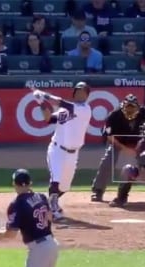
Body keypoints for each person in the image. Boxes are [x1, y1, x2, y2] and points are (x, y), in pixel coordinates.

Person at [32, 82, 93, 221]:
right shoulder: (64, 111)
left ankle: (45, 204)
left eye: (83, 92)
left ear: (87, 95)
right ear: (74, 93)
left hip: (73, 153)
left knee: (65, 187)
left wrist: (44, 95)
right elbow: (48, 119)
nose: (80, 94)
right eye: (78, 91)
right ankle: (53, 210)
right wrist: (41, 102)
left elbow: (60, 102)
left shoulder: (85, 109)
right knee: (56, 179)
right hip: (57, 150)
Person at [90, 94, 145, 203]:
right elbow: (109, 136)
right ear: (122, 107)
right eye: (127, 108)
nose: (130, 110)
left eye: (132, 108)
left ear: (138, 107)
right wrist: (124, 149)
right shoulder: (114, 116)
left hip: (141, 142)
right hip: (120, 142)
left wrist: (144, 148)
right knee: (107, 160)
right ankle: (98, 190)